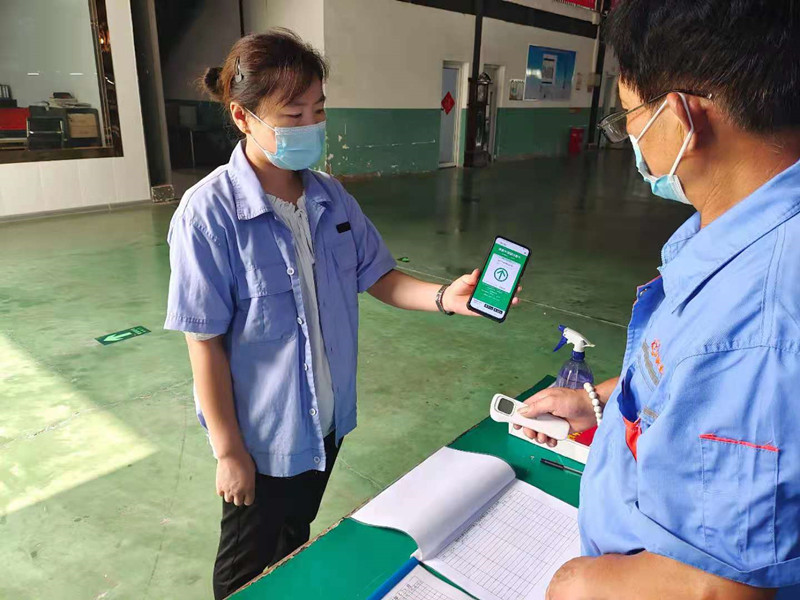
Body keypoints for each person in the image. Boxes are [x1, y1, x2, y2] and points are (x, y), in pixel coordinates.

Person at [164, 30, 516, 600]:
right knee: (243, 572)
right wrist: (229, 453)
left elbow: (379, 276)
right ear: (243, 117)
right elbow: (203, 342)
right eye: (293, 114)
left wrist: (446, 297)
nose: (310, 125)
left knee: (295, 543)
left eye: (319, 110)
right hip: (263, 442)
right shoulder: (208, 216)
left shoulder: (331, 198)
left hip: (326, 427)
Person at [516, 1, 800, 599]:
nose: (631, 139)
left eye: (630, 117)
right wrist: (597, 401)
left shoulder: (760, 321)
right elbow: (691, 383)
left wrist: (573, 585)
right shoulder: (739, 229)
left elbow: (714, 588)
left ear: (679, 116)